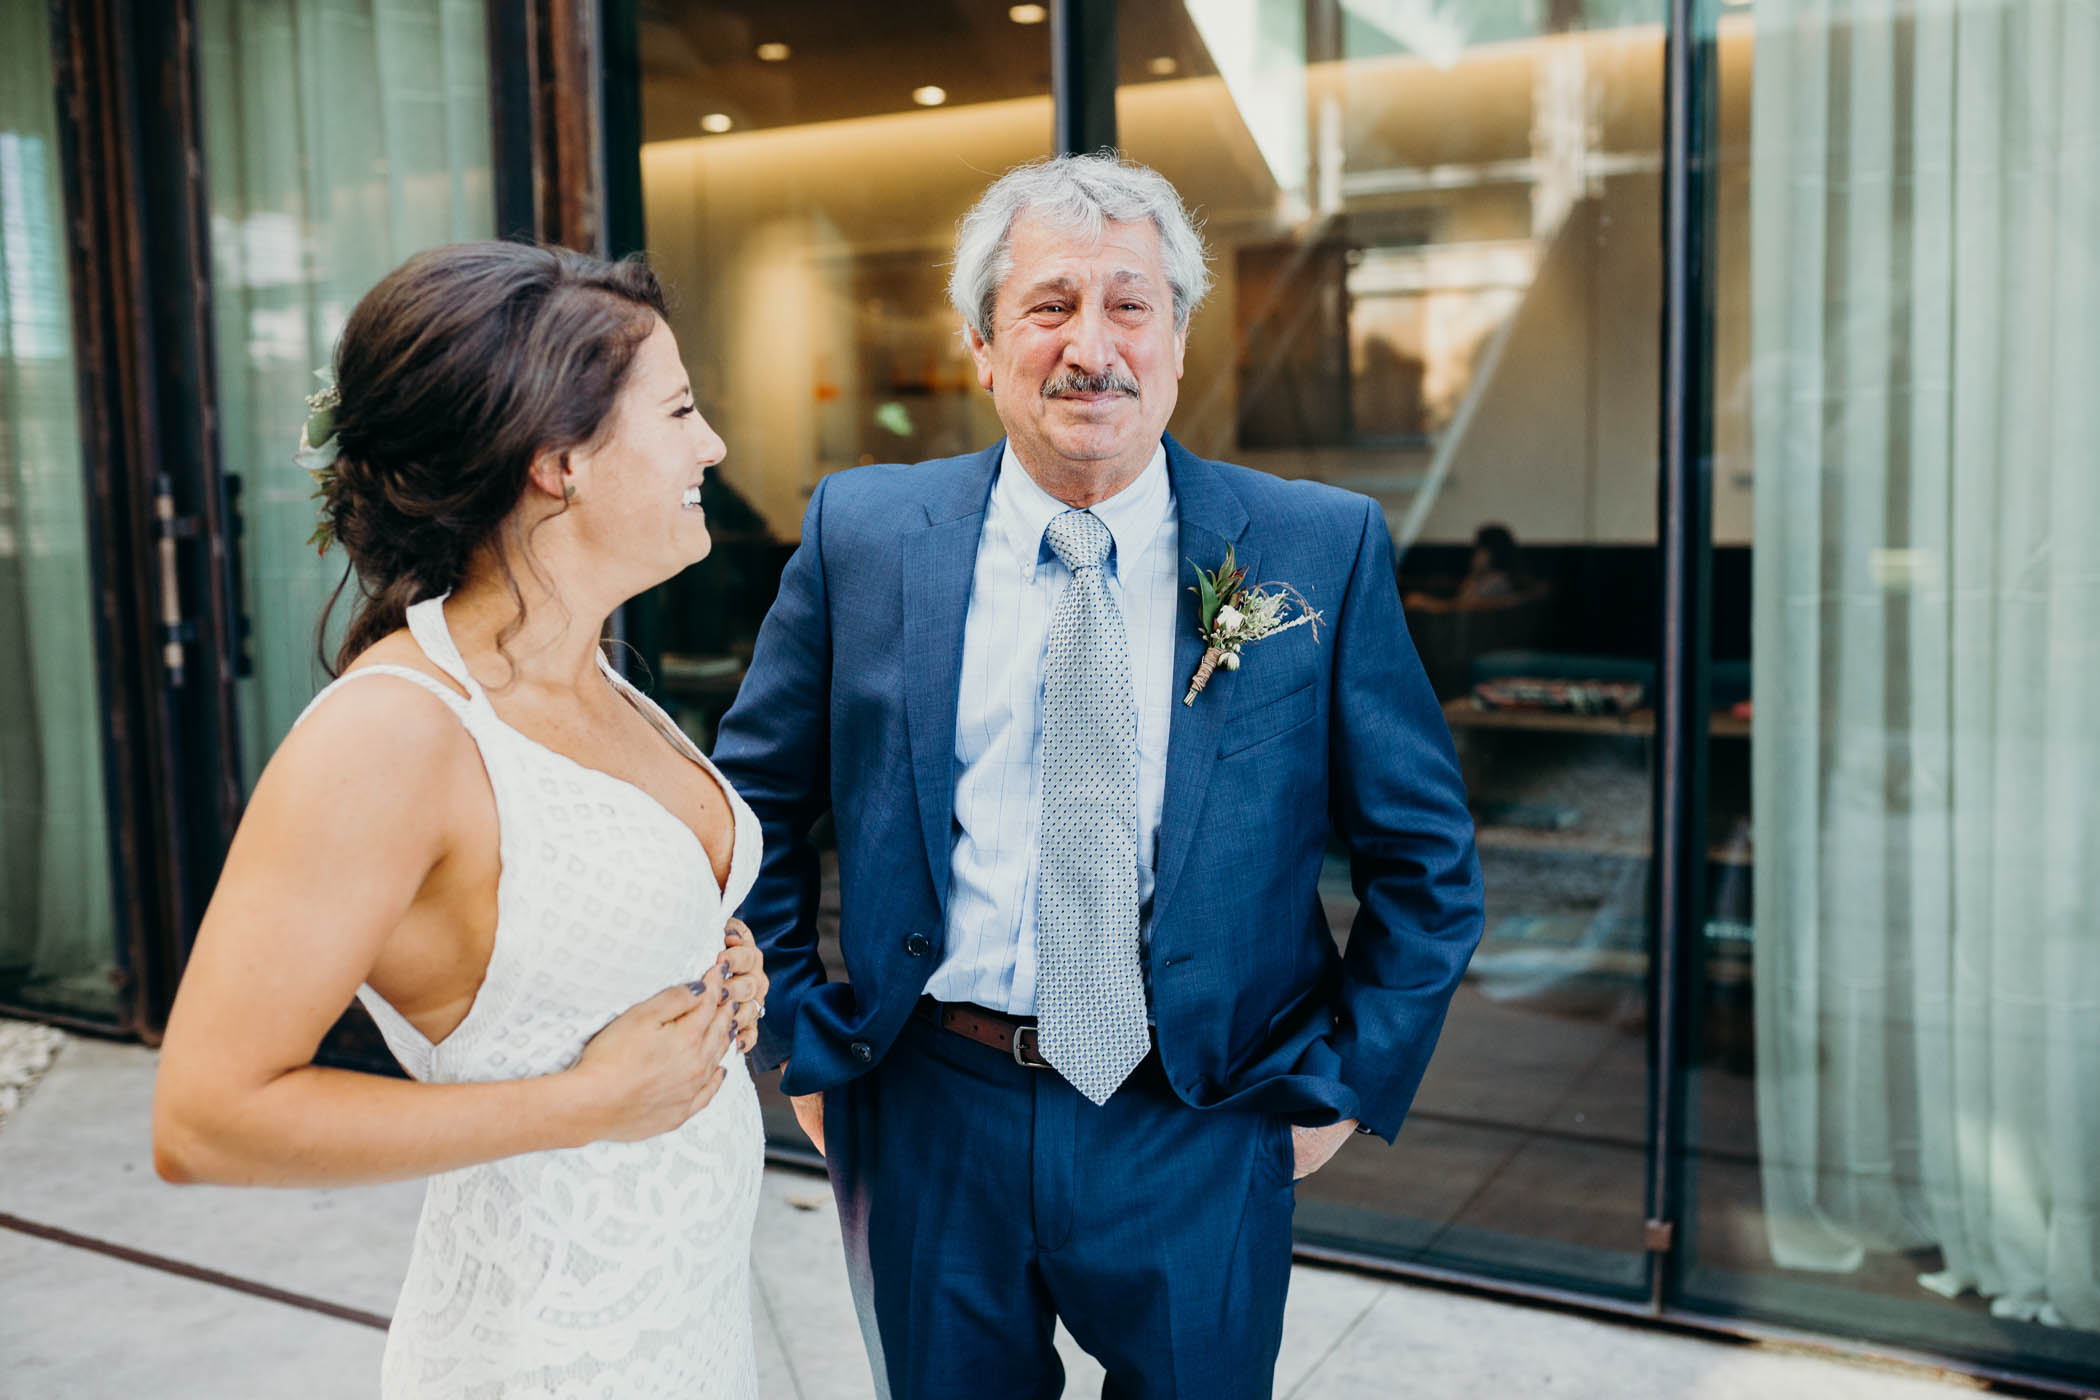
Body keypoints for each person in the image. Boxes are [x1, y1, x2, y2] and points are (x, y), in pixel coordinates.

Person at [712, 154, 1484, 1396]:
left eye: (1130, 303)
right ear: (981, 343)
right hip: (930, 1106)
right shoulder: (863, 533)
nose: (1092, 344)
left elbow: (1427, 861)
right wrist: (803, 1042)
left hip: (1201, 1116)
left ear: (1179, 338)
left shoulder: (1313, 548)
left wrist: (1340, 1086)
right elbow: (745, 810)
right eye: (1049, 304)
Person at [152, 242, 770, 1398]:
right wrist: (584, 1102)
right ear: (559, 461)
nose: (713, 446)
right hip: (543, 1356)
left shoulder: (599, 672)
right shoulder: (392, 732)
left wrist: (718, 965)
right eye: (681, 409)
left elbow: (569, 934)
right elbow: (205, 1117)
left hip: (687, 1320)